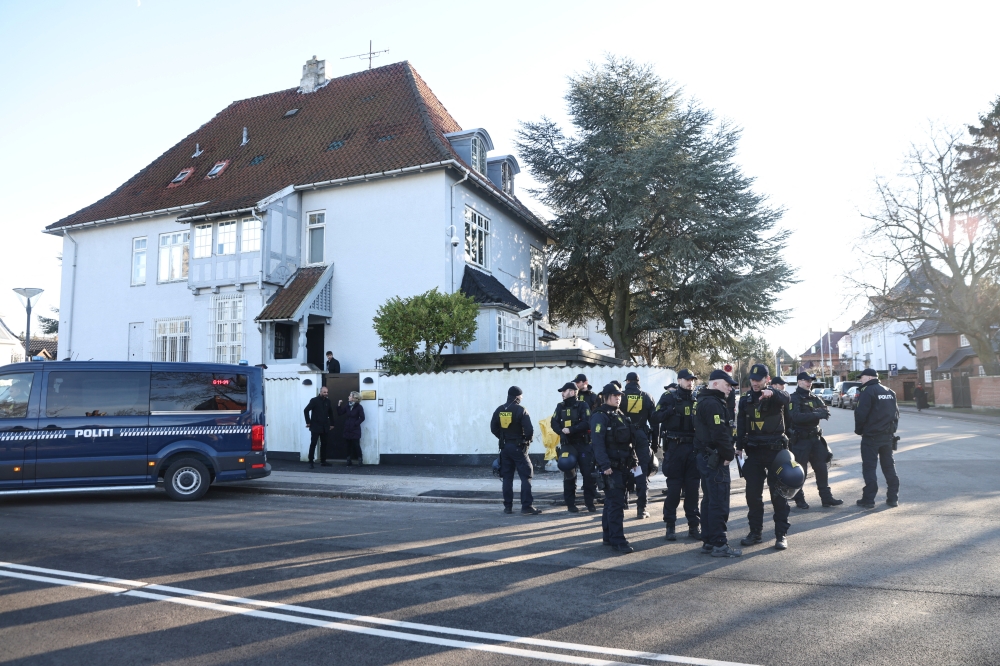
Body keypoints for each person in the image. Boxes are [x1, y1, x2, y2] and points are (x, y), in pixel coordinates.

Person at [737, 363, 792, 551]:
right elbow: (741, 424)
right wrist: (738, 447)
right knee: (753, 496)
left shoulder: (775, 397)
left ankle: (781, 534)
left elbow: (787, 397)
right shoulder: (745, 400)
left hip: (775, 452)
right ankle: (755, 533)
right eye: (752, 379)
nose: (754, 383)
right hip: (754, 452)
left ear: (767, 379)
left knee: (778, 495)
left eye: (758, 380)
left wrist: (773, 393)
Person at [694, 369, 741, 557]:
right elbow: (719, 433)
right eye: (727, 385)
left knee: (709, 500)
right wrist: (728, 454)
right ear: (715, 384)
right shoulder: (713, 403)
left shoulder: (703, 400)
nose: (730, 388)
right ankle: (719, 544)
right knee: (719, 502)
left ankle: (708, 541)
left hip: (705, 457)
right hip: (715, 460)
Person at [591, 383, 640, 554]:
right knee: (616, 505)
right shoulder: (600, 416)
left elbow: (629, 441)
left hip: (623, 465)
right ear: (605, 397)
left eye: (619, 395)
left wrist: (634, 460)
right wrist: (605, 465)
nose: (618, 398)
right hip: (611, 468)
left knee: (611, 503)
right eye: (614, 395)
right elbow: (597, 443)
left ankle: (608, 536)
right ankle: (618, 540)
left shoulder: (619, 414)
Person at [653, 369, 700, 541]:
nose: (690, 382)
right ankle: (670, 525)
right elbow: (655, 417)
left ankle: (694, 526)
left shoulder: (697, 398)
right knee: (673, 490)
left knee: (693, 490)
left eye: (692, 380)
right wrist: (670, 411)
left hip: (693, 449)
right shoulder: (668, 397)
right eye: (687, 379)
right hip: (675, 448)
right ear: (679, 380)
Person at [787, 372, 842, 509]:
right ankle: (799, 499)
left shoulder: (815, 397)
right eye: (806, 381)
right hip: (801, 440)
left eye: (810, 381)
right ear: (799, 381)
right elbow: (796, 417)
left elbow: (826, 412)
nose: (809, 383)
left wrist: (812, 414)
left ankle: (826, 498)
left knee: (822, 468)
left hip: (815, 438)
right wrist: (816, 414)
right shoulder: (794, 398)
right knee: (801, 471)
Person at [491, 386, 543, 516]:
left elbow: (493, 428)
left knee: (507, 477)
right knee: (526, 476)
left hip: (505, 448)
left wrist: (503, 438)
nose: (522, 398)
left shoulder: (499, 409)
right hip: (519, 448)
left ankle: (508, 507)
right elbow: (529, 430)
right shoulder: (521, 410)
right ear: (517, 397)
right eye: (521, 396)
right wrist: (526, 440)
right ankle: (527, 506)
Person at [854, 368, 900, 508]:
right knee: (889, 467)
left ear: (869, 377)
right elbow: (896, 415)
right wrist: (891, 431)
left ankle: (868, 499)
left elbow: (860, 414)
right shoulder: (889, 392)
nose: (860, 380)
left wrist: (859, 431)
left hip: (871, 437)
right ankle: (893, 498)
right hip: (887, 437)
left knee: (869, 468)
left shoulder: (868, 391)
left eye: (861, 377)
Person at [550, 381, 596, 513]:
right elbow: (553, 422)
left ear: (572, 392)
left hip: (583, 444)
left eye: (564, 391)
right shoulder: (560, 406)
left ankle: (589, 503)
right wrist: (561, 432)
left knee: (588, 474)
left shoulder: (582, 405)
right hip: (568, 445)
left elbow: (587, 422)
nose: (562, 394)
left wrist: (571, 430)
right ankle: (570, 504)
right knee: (569, 474)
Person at [622, 372, 656, 519]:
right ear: (638, 382)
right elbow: (654, 422)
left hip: (623, 437)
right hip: (641, 437)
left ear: (627, 382)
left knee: (622, 468)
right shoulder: (647, 396)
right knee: (640, 471)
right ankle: (641, 508)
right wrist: (655, 443)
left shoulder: (621, 396)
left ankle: (623, 503)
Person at [303, 386, 335, 469]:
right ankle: (311, 461)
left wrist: (332, 424)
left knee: (324, 444)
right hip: (315, 426)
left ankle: (323, 461)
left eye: (327, 392)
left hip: (325, 426)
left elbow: (330, 413)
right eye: (324, 392)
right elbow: (306, 410)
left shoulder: (328, 401)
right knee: (313, 443)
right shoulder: (314, 400)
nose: (326, 394)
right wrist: (308, 422)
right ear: (320, 392)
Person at [338, 391, 366, 465]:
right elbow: (340, 413)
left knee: (356, 445)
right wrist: (339, 405)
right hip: (347, 428)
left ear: (354, 398)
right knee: (348, 445)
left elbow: (362, 418)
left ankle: (360, 460)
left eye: (350, 396)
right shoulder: (347, 406)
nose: (348, 397)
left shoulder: (359, 407)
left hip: (355, 429)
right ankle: (348, 460)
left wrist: (355, 424)